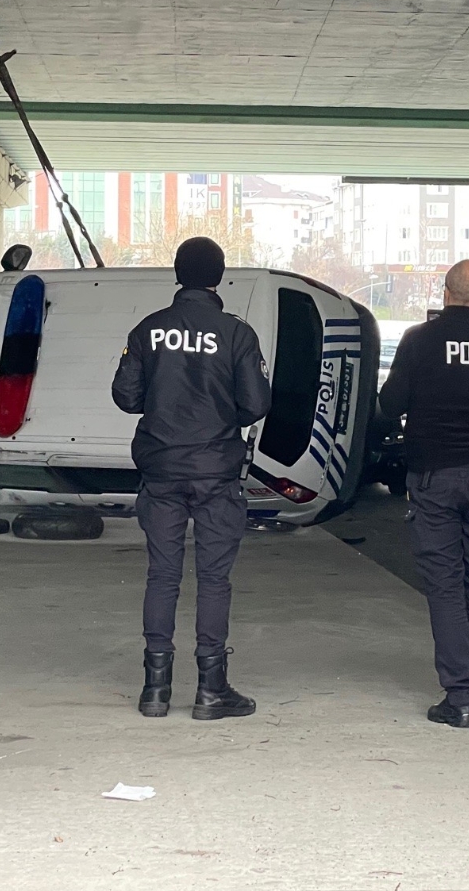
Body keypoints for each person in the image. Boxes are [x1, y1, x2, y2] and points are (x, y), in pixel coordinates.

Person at [111, 236, 273, 722]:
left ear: (177, 274)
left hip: (160, 469)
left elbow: (125, 397)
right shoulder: (236, 334)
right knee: (213, 578)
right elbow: (257, 404)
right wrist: (220, 416)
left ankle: (154, 690)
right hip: (215, 472)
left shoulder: (149, 330)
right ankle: (210, 689)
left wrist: (165, 404)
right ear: (219, 277)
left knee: (162, 574)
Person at [379, 260, 469, 728]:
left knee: (445, 588)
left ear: (445, 291)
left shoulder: (420, 340)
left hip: (434, 478)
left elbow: (391, 403)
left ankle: (458, 696)